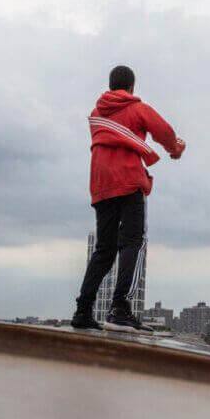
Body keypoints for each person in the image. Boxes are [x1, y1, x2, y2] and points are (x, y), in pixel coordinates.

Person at [71, 65, 186, 331]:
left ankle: (83, 310)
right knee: (133, 241)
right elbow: (164, 132)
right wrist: (176, 149)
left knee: (104, 249)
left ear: (111, 86)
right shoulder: (137, 108)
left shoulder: (96, 114)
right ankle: (120, 307)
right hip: (128, 180)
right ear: (132, 87)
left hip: (100, 183)